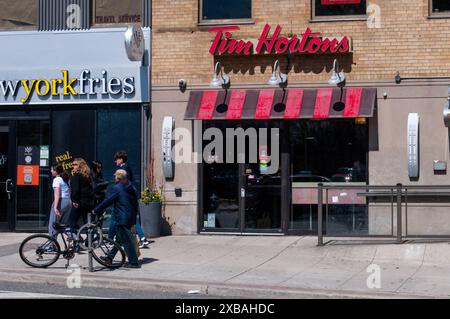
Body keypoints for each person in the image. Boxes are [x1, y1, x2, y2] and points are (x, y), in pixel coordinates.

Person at [93, 169, 140, 268]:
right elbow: (136, 201)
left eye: (115, 176)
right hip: (130, 217)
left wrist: (96, 210)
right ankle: (109, 258)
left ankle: (134, 262)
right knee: (119, 239)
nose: (114, 177)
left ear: (118, 177)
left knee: (126, 240)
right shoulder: (131, 187)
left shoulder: (117, 188)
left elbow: (108, 201)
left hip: (122, 218)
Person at [112, 150, 150, 248]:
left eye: (116, 159)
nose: (115, 162)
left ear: (121, 159)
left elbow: (124, 184)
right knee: (131, 219)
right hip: (129, 196)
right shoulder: (126, 167)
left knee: (129, 219)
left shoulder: (124, 169)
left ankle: (115, 238)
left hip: (126, 197)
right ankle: (141, 238)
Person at [69, 158, 95, 231]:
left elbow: (75, 190)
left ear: (80, 166)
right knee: (87, 223)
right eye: (72, 165)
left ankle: (78, 238)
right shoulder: (87, 176)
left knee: (71, 222)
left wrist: (75, 201)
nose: (72, 166)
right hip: (88, 203)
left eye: (75, 165)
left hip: (79, 203)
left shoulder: (76, 176)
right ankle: (89, 241)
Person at [48, 163, 72, 238]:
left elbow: (57, 194)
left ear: (56, 171)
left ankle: (53, 244)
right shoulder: (66, 179)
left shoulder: (57, 179)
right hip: (68, 201)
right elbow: (69, 191)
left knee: (53, 224)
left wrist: (55, 207)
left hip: (61, 202)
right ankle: (76, 239)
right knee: (63, 225)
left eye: (52, 169)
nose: (51, 171)